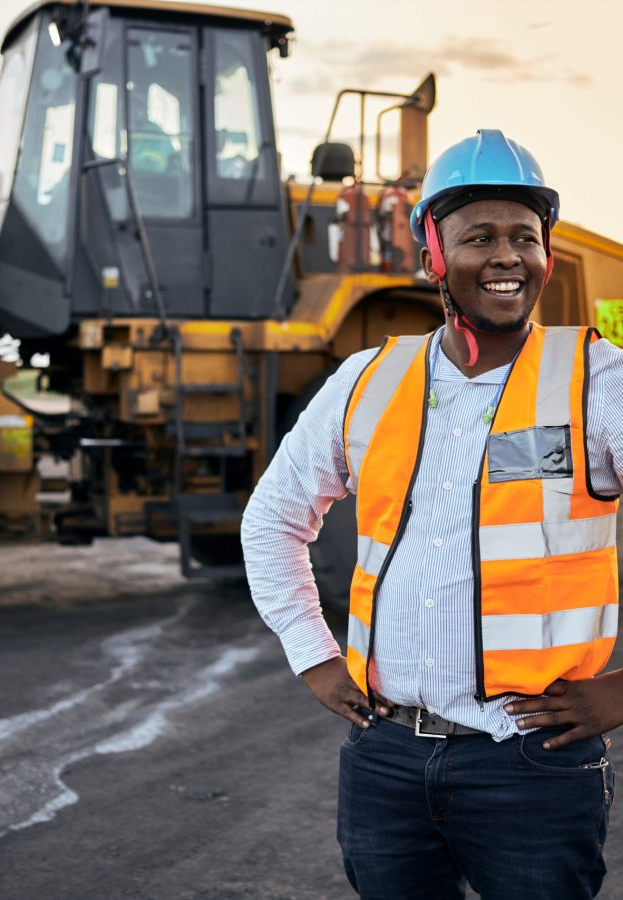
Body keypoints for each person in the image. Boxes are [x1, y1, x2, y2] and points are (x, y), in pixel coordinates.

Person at [241, 129, 623, 899]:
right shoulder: (369, 381)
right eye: (478, 236)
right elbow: (272, 520)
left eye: (525, 236)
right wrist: (313, 654)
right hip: (385, 760)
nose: (507, 256)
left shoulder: (597, 381)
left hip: (531, 765)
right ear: (433, 256)